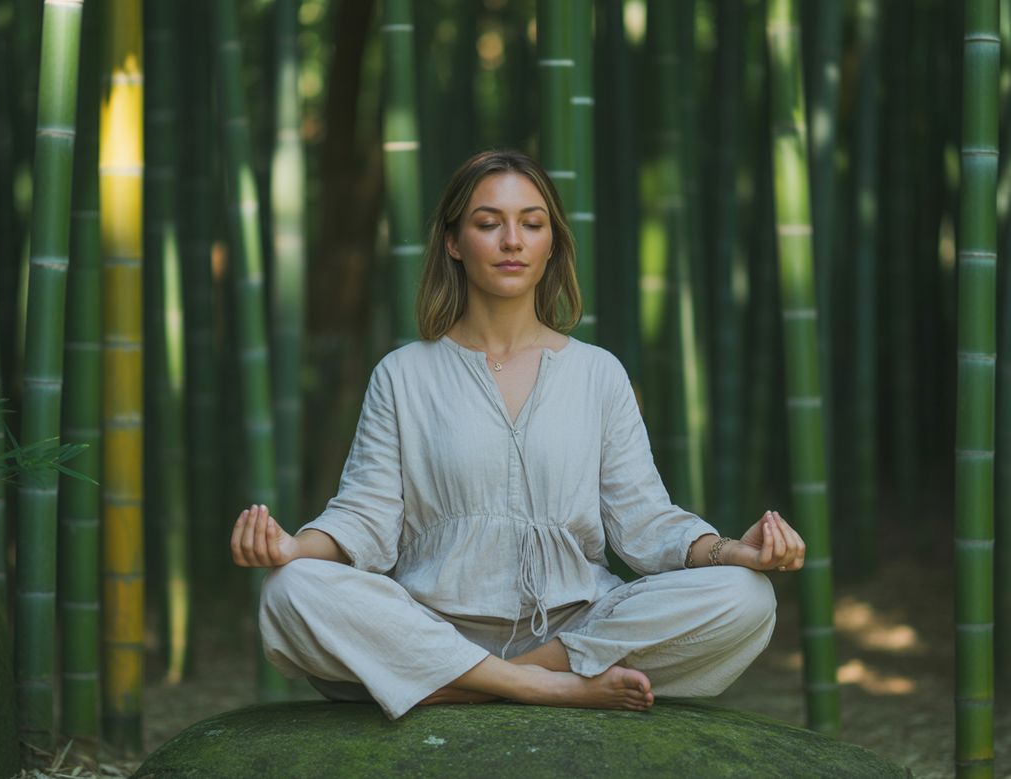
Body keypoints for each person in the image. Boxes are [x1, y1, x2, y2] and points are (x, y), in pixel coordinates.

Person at [230, 149, 805, 721]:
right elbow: (365, 515)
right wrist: (292, 548)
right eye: (489, 224)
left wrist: (735, 552)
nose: (512, 241)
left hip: (574, 627)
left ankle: (471, 682)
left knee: (745, 596)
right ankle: (543, 688)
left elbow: (646, 521)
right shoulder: (402, 374)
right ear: (454, 242)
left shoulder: (597, 373)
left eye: (532, 224)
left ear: (551, 242)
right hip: (430, 625)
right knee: (290, 588)